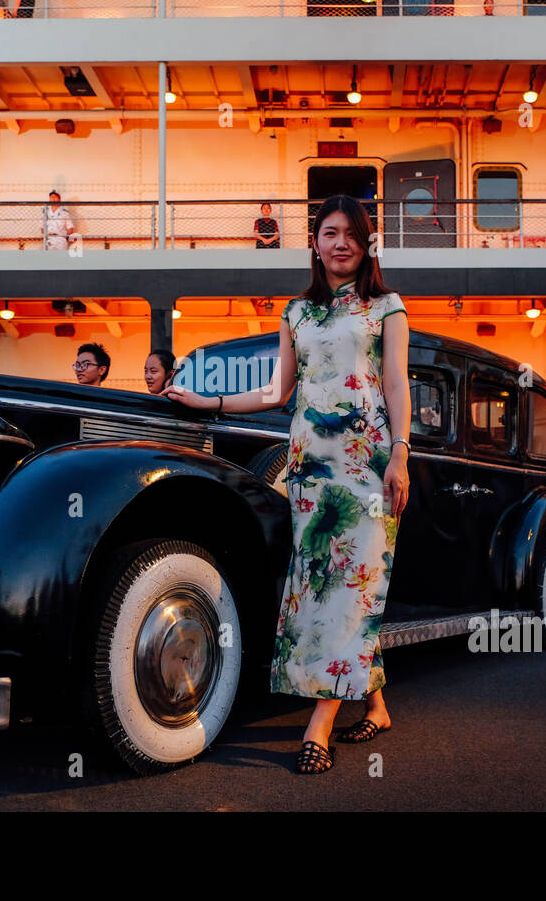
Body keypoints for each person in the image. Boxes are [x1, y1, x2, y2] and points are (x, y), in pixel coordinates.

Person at [163, 194, 410, 774]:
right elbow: (278, 393)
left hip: (368, 468)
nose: (340, 242)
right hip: (311, 470)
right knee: (320, 586)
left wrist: (400, 454)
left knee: (354, 589)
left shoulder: (387, 307)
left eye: (351, 232)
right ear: (315, 243)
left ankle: (319, 722)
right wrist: (210, 401)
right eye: (329, 232)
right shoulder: (296, 313)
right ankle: (375, 703)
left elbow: (395, 384)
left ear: (365, 241)